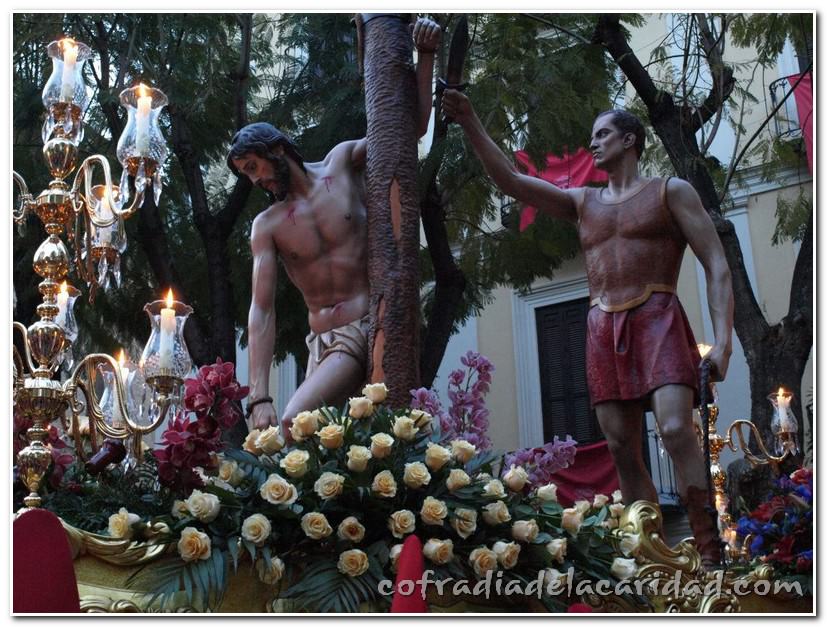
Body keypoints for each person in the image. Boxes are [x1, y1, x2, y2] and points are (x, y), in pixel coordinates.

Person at [442, 90, 734, 569]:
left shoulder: (671, 191)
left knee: (676, 428)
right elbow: (511, 181)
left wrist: (723, 343)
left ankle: (709, 550)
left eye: (602, 135)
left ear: (630, 140)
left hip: (658, 316)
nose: (592, 144)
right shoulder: (583, 202)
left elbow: (717, 264)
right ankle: (651, 556)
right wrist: (471, 120)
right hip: (602, 324)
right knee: (621, 446)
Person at [229, 18, 441, 439]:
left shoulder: (341, 164)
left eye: (254, 166)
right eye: (246, 174)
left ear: (277, 149)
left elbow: (407, 130)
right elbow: (262, 309)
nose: (254, 181)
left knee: (293, 424)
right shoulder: (267, 225)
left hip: (365, 327)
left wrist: (426, 57)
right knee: (335, 455)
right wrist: (258, 395)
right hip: (321, 347)